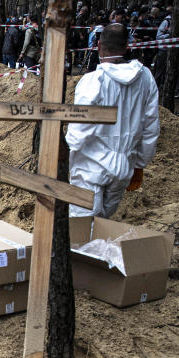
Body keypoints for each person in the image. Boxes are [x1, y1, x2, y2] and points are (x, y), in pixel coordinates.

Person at [66, 24, 160, 218]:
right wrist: (140, 162)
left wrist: (64, 159)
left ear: (99, 45)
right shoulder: (145, 78)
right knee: (103, 223)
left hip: (89, 167)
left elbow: (79, 129)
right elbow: (151, 126)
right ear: (127, 46)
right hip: (123, 166)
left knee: (82, 228)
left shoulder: (93, 81)